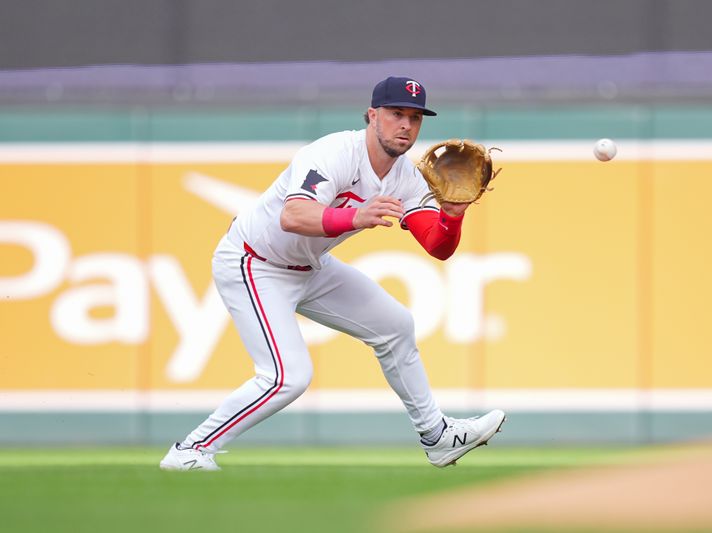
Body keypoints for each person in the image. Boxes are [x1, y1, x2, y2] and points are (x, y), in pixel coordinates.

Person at [160, 76, 505, 471]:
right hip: (254, 261)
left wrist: (452, 214)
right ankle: (191, 450)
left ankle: (437, 436)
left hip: (310, 267)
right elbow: (293, 216)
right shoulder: (333, 152)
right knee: (287, 377)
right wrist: (357, 216)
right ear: (372, 115)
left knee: (395, 325)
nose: (406, 125)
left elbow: (437, 247)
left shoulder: (407, 178)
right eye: (396, 114)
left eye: (414, 117)